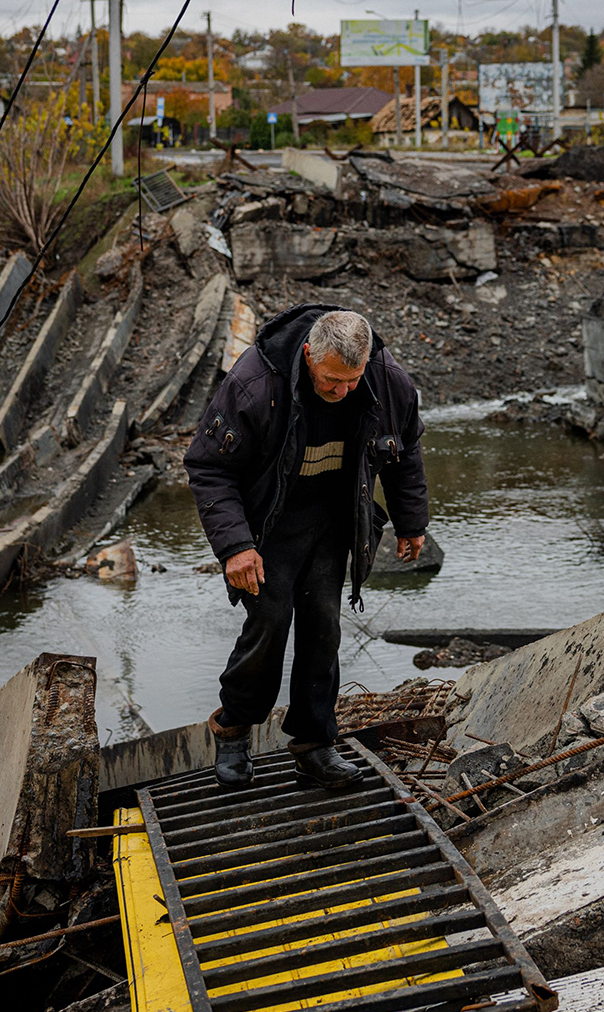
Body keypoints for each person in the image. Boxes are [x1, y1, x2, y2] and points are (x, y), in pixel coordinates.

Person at [183, 305, 428, 790]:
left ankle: (314, 745)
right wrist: (235, 547)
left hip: (334, 520)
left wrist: (411, 522)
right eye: (332, 380)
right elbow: (209, 468)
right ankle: (232, 729)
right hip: (270, 524)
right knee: (269, 624)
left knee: (324, 630)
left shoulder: (386, 378)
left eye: (351, 382)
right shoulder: (255, 383)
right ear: (308, 352)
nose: (341, 392)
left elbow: (405, 450)